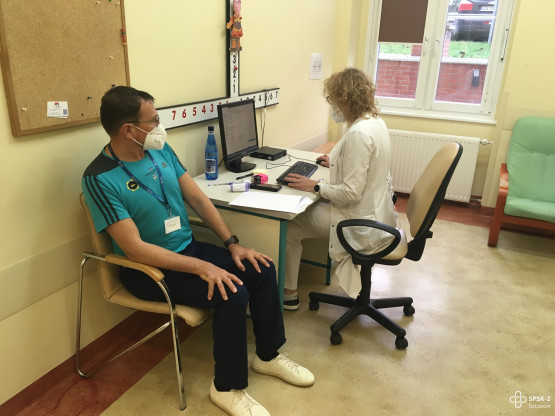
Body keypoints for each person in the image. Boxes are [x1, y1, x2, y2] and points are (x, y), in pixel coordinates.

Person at [82, 86, 314, 416]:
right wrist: (202, 268)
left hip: (187, 250)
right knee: (231, 293)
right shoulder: (99, 178)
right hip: (149, 272)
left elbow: (198, 199)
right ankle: (226, 388)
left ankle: (268, 356)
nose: (159, 126)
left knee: (261, 268)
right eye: (153, 120)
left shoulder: (160, 151)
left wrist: (233, 244)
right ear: (128, 130)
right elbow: (135, 250)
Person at [283, 68, 398, 310]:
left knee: (290, 226)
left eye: (332, 99)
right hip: (377, 214)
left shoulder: (358, 133)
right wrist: (337, 162)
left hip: (360, 223)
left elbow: (350, 193)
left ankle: (288, 294)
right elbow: (368, 166)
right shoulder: (374, 122)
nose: (332, 105)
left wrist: (315, 186)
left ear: (344, 99)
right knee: (310, 209)